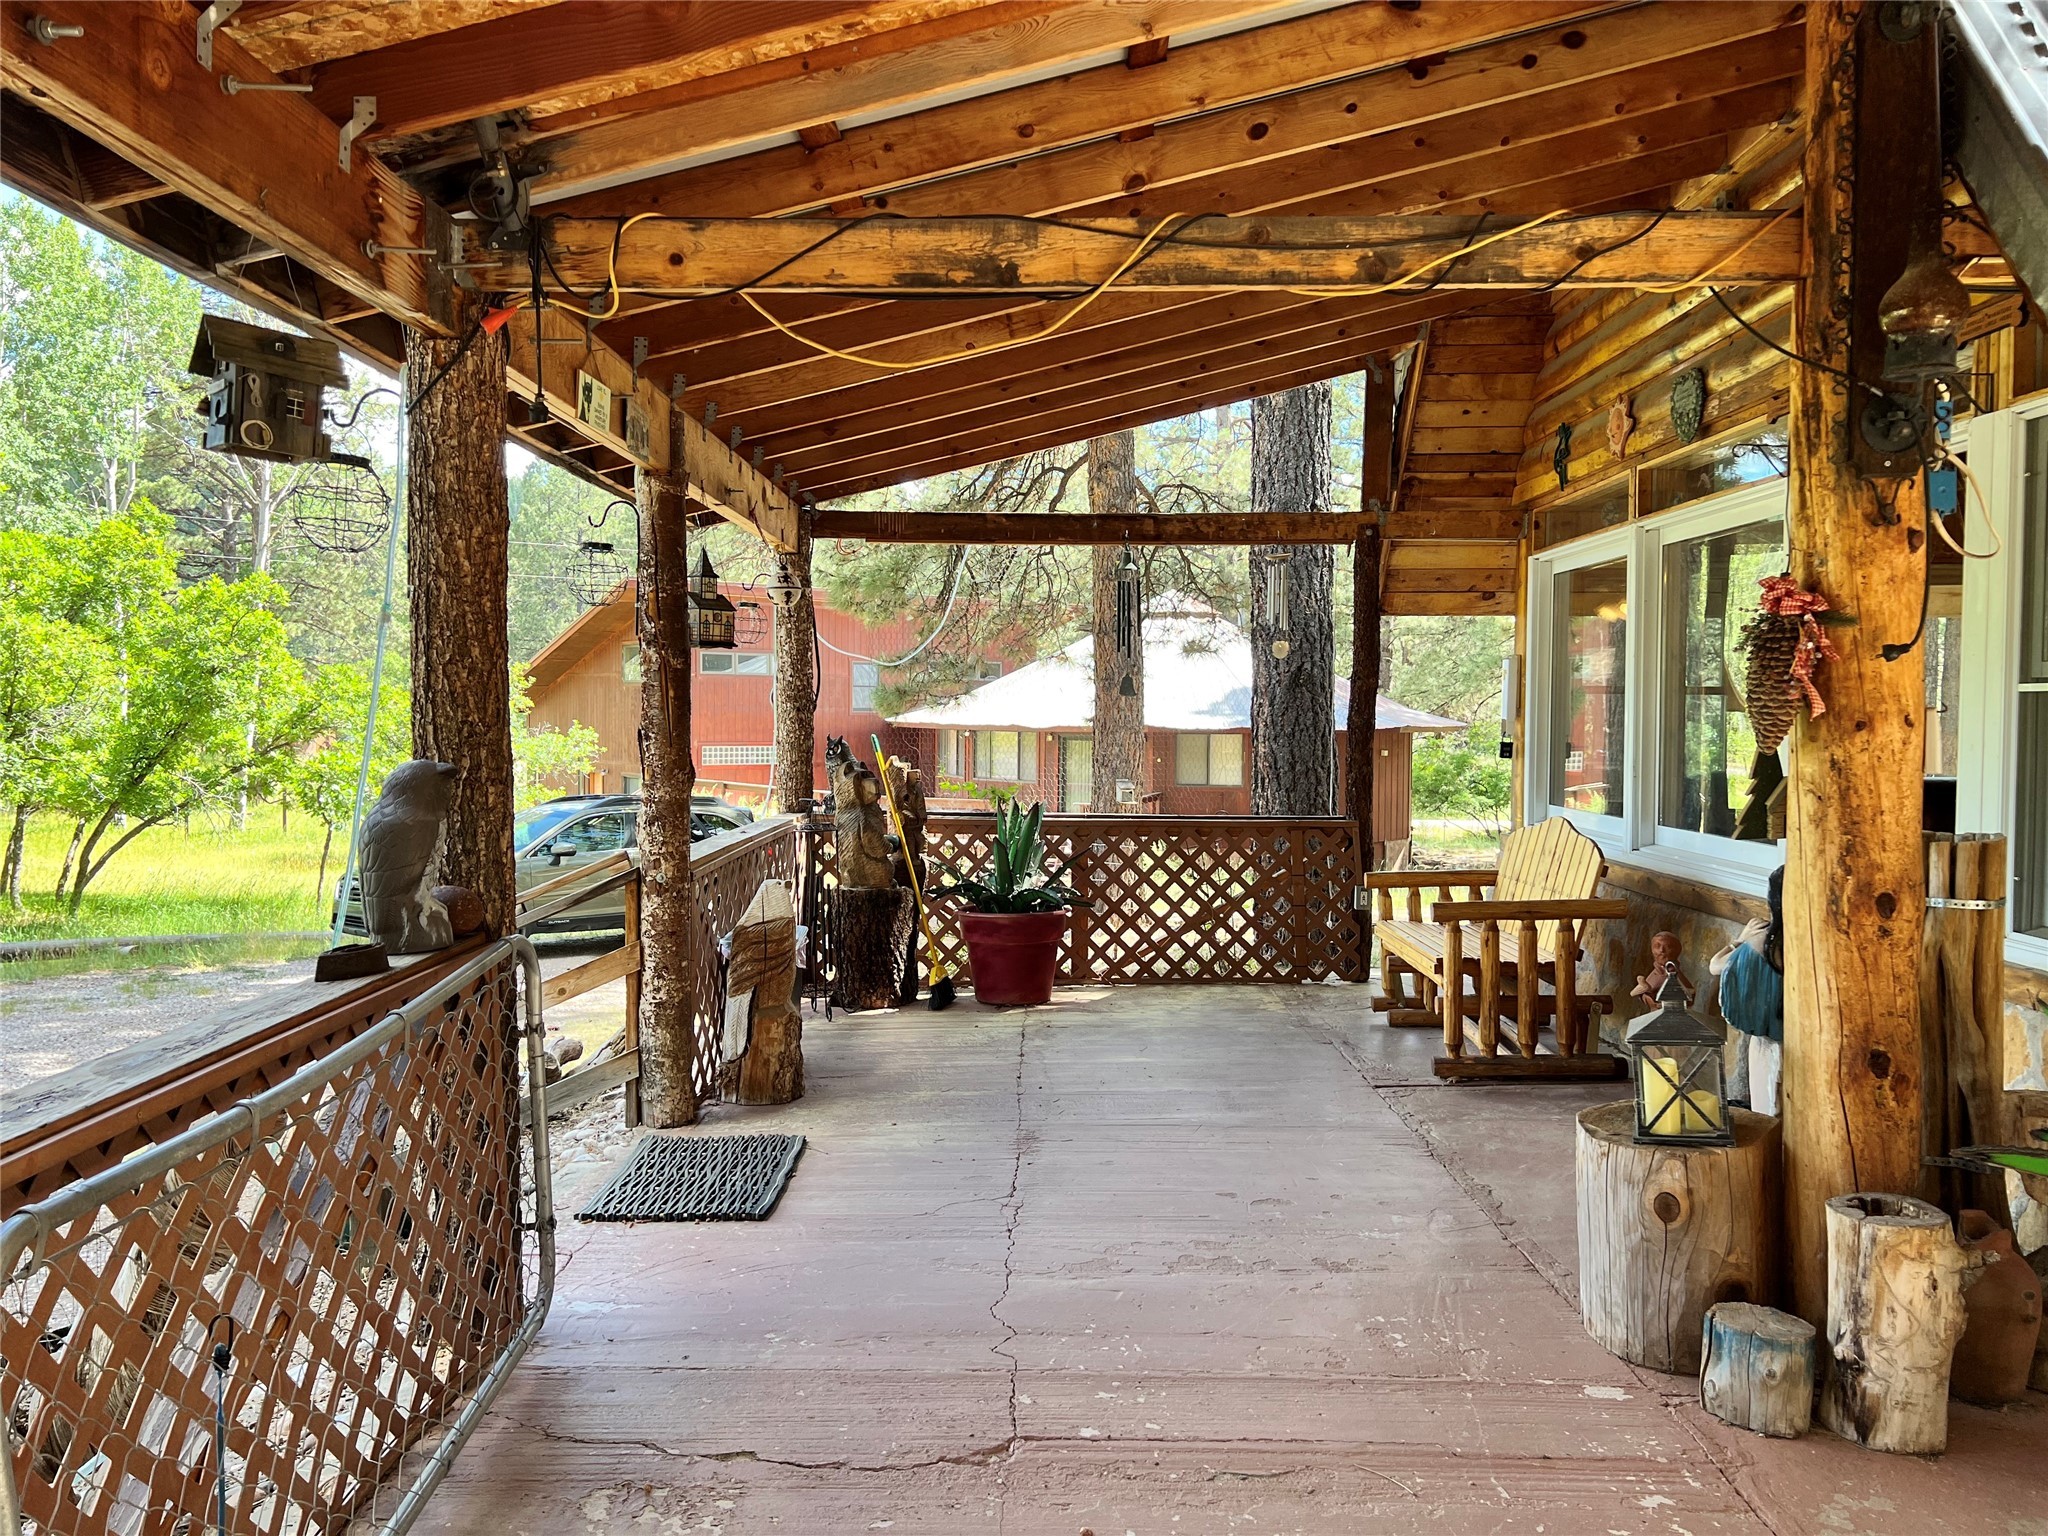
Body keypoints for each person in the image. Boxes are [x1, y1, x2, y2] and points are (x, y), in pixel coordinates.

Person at [1710, 866, 1785, 1115]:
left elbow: (1716, 965)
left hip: (1769, 1041)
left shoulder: (1763, 942)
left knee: (1768, 1109)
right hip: (1808, 1040)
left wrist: (1739, 940)